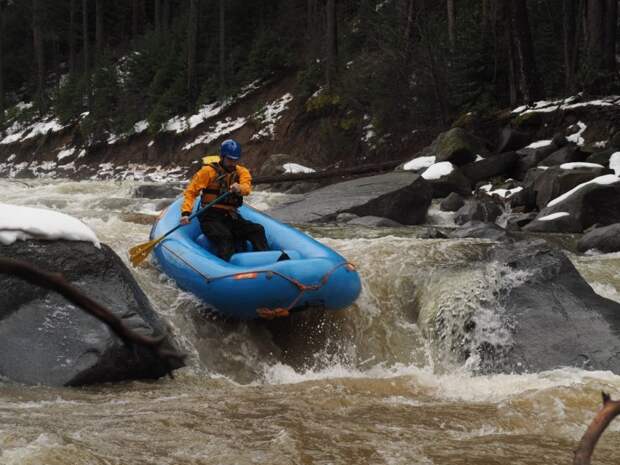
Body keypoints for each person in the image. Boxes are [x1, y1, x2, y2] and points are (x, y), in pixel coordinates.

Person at [180, 139, 269, 261]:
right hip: (210, 216)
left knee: (257, 229)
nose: (232, 163)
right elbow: (191, 192)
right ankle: (228, 269)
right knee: (225, 237)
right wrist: (186, 213)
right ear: (222, 157)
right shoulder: (207, 171)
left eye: (235, 160)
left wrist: (239, 188)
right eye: (229, 159)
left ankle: (264, 262)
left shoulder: (242, 172)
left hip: (231, 216)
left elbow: (246, 188)